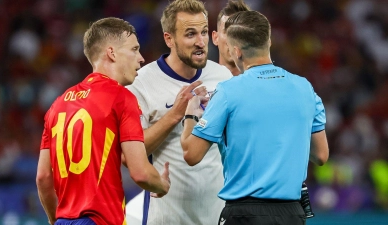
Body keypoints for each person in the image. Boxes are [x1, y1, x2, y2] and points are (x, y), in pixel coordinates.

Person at [180, 10, 329, 225]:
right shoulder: (304, 88)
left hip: (244, 214)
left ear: (237, 52)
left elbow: (191, 154)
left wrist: (191, 114)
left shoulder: (228, 91)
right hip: (292, 214)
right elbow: (321, 155)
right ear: (268, 42)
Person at [36, 17, 170, 225]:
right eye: (134, 49)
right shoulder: (122, 98)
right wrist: (161, 184)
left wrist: (56, 220)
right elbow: (141, 173)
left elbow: (43, 177)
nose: (141, 58)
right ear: (112, 53)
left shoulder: (57, 105)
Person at [126, 0, 233, 224]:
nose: (201, 42)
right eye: (190, 34)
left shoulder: (222, 77)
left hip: (217, 217)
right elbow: (131, 155)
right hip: (165, 218)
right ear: (169, 39)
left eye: (204, 32)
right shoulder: (141, 83)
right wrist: (175, 114)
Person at [212, 0, 251, 76]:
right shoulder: (202, 85)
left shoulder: (261, 85)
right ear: (215, 38)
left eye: (240, 32)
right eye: (227, 32)